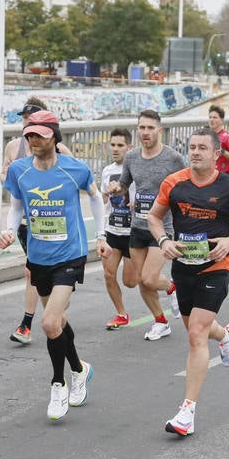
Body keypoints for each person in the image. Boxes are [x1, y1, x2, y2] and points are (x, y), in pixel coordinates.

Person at [148, 128, 229, 436]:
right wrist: (163, 242)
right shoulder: (174, 183)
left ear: (216, 154)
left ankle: (187, 411)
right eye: (192, 147)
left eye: (202, 148)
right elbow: (154, 218)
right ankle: (226, 336)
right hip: (183, 267)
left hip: (216, 267)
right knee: (196, 327)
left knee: (196, 333)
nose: (195, 152)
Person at [1, 112, 104, 421]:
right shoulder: (19, 170)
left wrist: (101, 236)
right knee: (57, 322)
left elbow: (96, 198)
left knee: (48, 323)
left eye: (40, 135)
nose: (33, 140)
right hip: (39, 256)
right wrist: (9, 229)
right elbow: (16, 205)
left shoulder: (75, 169)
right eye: (29, 135)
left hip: (70, 255)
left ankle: (58, 384)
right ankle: (79, 368)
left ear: (54, 137)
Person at [2, 100, 73, 344]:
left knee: (37, 272)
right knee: (31, 271)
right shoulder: (13, 146)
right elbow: (5, 175)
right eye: (24, 118)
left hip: (56, 222)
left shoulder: (61, 149)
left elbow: (72, 179)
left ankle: (35, 319)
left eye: (32, 118)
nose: (27, 122)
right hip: (27, 222)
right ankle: (32, 321)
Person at [111, 109, 185, 341]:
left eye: (150, 128)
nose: (145, 132)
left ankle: (173, 288)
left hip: (163, 227)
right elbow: (124, 184)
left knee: (150, 278)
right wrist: (117, 189)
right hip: (138, 227)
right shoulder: (131, 157)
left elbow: (187, 185)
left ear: (159, 131)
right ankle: (160, 322)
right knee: (143, 281)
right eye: (142, 128)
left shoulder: (173, 158)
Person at [98, 128, 136, 329]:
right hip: (113, 230)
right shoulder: (106, 170)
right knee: (108, 274)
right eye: (113, 144)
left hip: (133, 233)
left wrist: (135, 203)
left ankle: (169, 286)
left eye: (120, 145)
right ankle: (122, 314)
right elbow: (104, 202)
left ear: (129, 147)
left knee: (131, 281)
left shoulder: (136, 168)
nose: (115, 149)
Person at [206, 105, 229, 177]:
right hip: (208, 173)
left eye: (215, 117)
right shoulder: (206, 136)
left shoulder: (227, 137)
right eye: (210, 117)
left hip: (223, 175)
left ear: (222, 120)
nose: (211, 120)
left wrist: (221, 150)